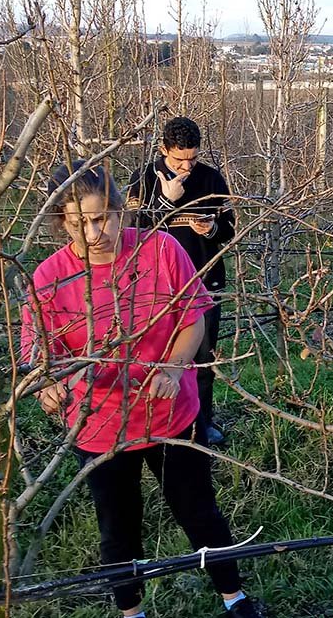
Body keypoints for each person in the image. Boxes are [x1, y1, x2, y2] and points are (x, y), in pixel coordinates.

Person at [21, 162, 264, 617]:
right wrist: (48, 383)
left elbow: (193, 316)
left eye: (105, 217)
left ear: (121, 210)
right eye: (81, 223)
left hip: (172, 413)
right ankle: (131, 611)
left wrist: (172, 368)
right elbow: (39, 348)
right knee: (118, 526)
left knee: (198, 512)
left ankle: (234, 596)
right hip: (101, 427)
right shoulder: (50, 278)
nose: (96, 232)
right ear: (61, 222)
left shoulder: (160, 249)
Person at [127, 116, 236, 445]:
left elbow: (229, 229)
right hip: (154, 287)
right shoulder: (144, 179)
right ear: (163, 150)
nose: (187, 165)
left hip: (204, 283)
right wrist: (167, 200)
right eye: (179, 158)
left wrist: (212, 229)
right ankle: (156, 424)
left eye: (193, 157)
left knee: (202, 361)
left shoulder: (211, 179)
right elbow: (132, 231)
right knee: (154, 359)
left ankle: (201, 424)